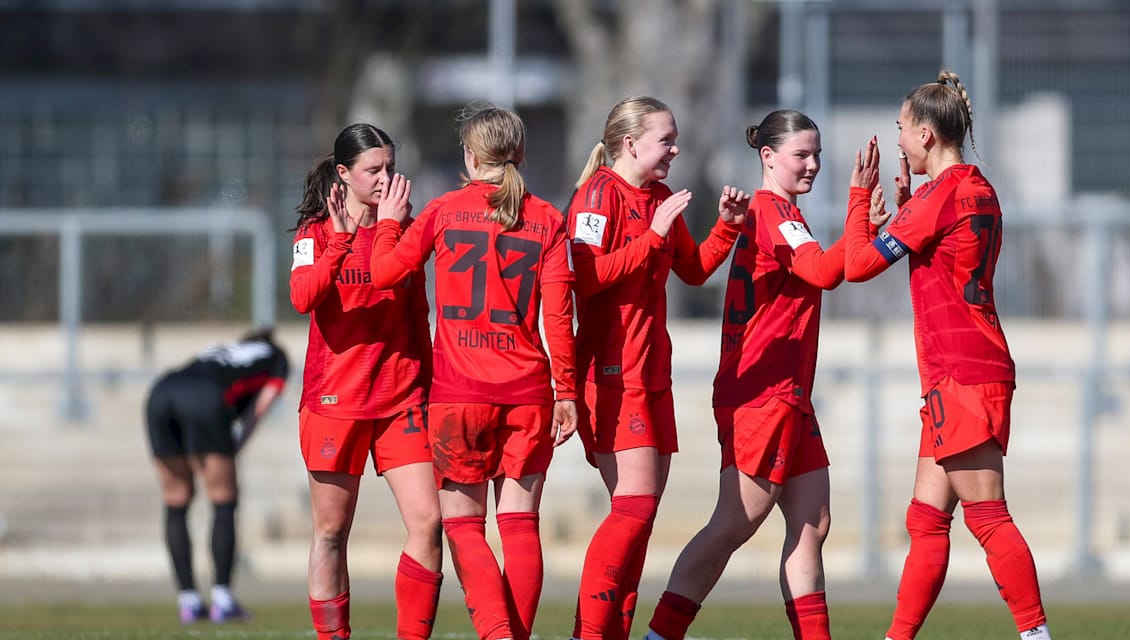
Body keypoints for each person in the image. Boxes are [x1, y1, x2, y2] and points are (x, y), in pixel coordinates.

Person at [640, 110, 883, 640]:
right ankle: (660, 635)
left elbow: (832, 262)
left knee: (811, 524)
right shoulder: (773, 212)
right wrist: (859, 205)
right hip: (761, 393)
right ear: (768, 157)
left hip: (787, 392)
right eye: (802, 154)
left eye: (817, 153)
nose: (813, 164)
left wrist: (864, 226)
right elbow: (824, 271)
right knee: (734, 523)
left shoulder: (785, 216)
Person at [841, 71, 1052, 640]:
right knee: (927, 519)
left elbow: (856, 266)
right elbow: (945, 254)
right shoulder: (979, 186)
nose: (899, 138)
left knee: (986, 515)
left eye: (903, 128)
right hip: (963, 368)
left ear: (928, 135)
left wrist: (861, 198)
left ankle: (1035, 634)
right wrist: (912, 208)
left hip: (962, 372)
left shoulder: (942, 195)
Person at [370, 103, 578, 640]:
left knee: (464, 528)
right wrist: (567, 391)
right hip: (528, 392)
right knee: (520, 526)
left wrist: (389, 224)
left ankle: (497, 634)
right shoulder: (547, 219)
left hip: (458, 394)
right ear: (521, 154)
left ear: (469, 154)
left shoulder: (442, 211)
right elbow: (558, 317)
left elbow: (384, 274)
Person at [566, 95, 750, 640]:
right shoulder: (597, 195)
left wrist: (727, 227)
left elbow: (692, 271)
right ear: (630, 143)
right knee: (635, 509)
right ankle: (589, 633)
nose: (675, 148)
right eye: (665, 139)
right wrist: (651, 238)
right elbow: (583, 278)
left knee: (640, 524)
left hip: (652, 375)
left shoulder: (661, 196)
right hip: (610, 372)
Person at [289, 123, 442, 640]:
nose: (386, 179)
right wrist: (341, 242)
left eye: (391, 168)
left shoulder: (406, 229)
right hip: (336, 401)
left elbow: (419, 314)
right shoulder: (315, 232)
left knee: (428, 523)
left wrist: (431, 381)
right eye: (374, 170)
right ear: (343, 174)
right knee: (331, 532)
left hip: (401, 399)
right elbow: (302, 298)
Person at [144, 327, 289, 624]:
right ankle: (222, 600)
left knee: (176, 499)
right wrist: (234, 447)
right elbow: (260, 409)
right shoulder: (277, 358)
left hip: (161, 392)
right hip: (205, 398)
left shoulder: (220, 350)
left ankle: (189, 601)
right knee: (223, 500)